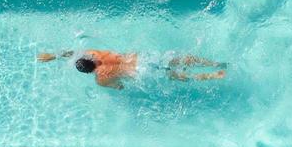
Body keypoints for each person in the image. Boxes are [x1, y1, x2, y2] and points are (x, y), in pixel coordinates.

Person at [37, 49, 227, 89]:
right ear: (89, 58)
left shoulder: (101, 79)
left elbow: (120, 86)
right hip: (144, 59)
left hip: (143, 73)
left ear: (88, 72)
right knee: (179, 60)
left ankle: (215, 75)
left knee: (177, 76)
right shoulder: (95, 53)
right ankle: (215, 64)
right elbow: (72, 53)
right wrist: (54, 55)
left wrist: (116, 85)